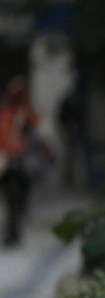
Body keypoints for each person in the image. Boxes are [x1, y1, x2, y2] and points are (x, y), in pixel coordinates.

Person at [0, 74, 48, 247]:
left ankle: (15, 231)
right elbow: (5, 139)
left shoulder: (30, 115)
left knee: (20, 201)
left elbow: (41, 138)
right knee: (11, 201)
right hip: (10, 164)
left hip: (25, 166)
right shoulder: (6, 115)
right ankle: (12, 234)